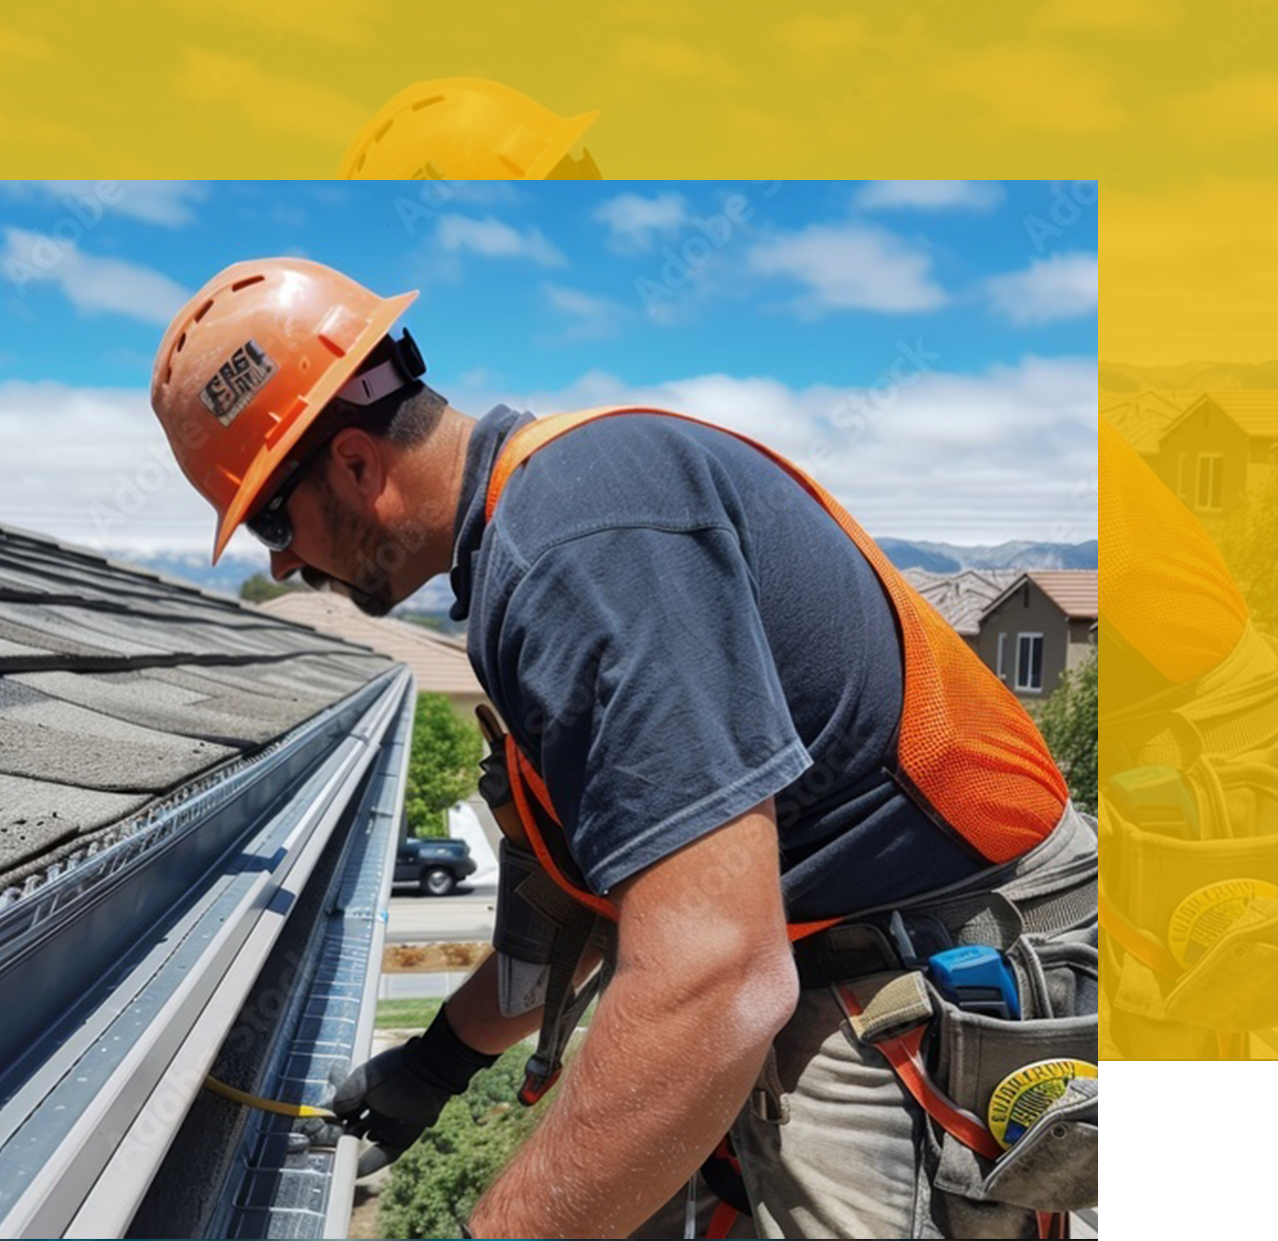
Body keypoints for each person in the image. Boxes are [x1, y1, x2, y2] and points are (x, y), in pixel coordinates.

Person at [151, 256, 1099, 1239]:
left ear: (354, 464)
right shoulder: (531, 537)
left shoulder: (575, 541)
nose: (279, 560)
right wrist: (436, 1059)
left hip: (939, 954)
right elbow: (574, 907)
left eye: (269, 514)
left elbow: (715, 979)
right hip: (825, 956)